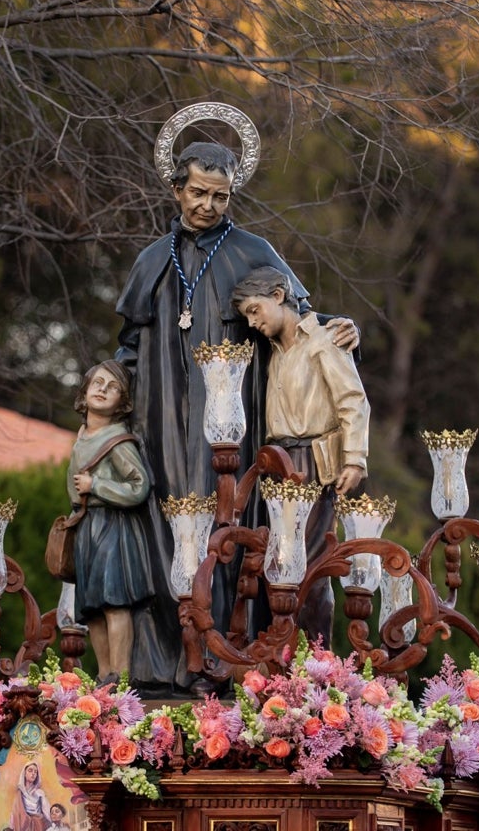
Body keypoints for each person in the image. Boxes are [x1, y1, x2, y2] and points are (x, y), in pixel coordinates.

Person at [115, 140, 359, 691]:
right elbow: (129, 345)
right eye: (199, 192)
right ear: (176, 188)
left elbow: (300, 317)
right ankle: (164, 665)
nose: (208, 205)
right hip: (160, 417)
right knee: (162, 520)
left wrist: (345, 329)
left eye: (221, 197)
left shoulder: (254, 251)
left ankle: (226, 657)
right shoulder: (153, 259)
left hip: (233, 421)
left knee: (225, 525)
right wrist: (106, 406)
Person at [232, 268, 369, 643]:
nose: (252, 321)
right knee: (280, 563)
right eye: (247, 316)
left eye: (255, 310)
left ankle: (315, 655)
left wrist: (355, 458)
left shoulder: (324, 341)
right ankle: (286, 647)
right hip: (278, 465)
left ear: (279, 295)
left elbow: (352, 401)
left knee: (308, 562)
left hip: (311, 462)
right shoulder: (274, 352)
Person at [68, 360, 154, 684]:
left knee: (114, 603)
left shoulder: (118, 440)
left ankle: (121, 675)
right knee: (92, 609)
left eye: (113, 386)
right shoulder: (82, 436)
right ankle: (103, 674)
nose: (103, 389)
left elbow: (139, 486)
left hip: (112, 527)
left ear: (123, 402)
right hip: (87, 527)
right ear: (85, 391)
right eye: (97, 383)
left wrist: (97, 486)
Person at [11, 762, 51, 831]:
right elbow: (14, 813)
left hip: (38, 825)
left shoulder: (40, 793)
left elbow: (47, 811)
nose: (33, 774)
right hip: (23, 826)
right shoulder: (20, 793)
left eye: (35, 772)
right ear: (24, 773)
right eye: (30, 770)